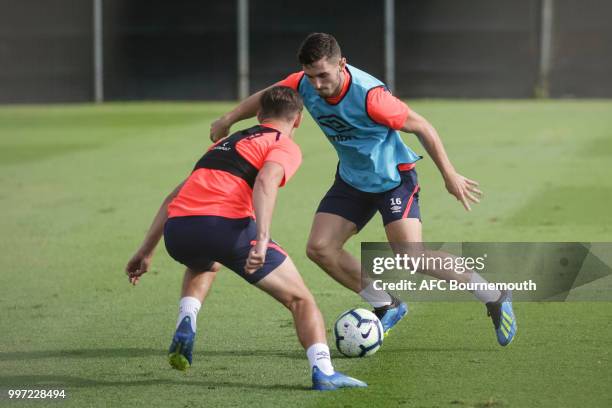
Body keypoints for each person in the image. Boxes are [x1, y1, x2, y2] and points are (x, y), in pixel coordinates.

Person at [209, 33, 517, 346]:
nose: (316, 85)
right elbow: (270, 97)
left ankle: (494, 295)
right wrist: (227, 118)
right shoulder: (303, 83)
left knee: (412, 257)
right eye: (310, 76)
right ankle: (387, 304)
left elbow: (422, 126)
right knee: (320, 248)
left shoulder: (371, 97)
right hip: (352, 180)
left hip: (393, 179)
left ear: (342, 65)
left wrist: (449, 174)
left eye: (323, 76)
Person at [125, 86, 367, 390]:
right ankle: (324, 372)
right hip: (225, 228)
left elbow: (175, 194)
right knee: (300, 299)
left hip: (179, 230)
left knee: (205, 263)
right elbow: (266, 181)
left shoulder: (226, 143)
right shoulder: (283, 144)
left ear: (259, 114)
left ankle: (187, 318)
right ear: (298, 121)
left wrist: (145, 251)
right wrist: (262, 238)